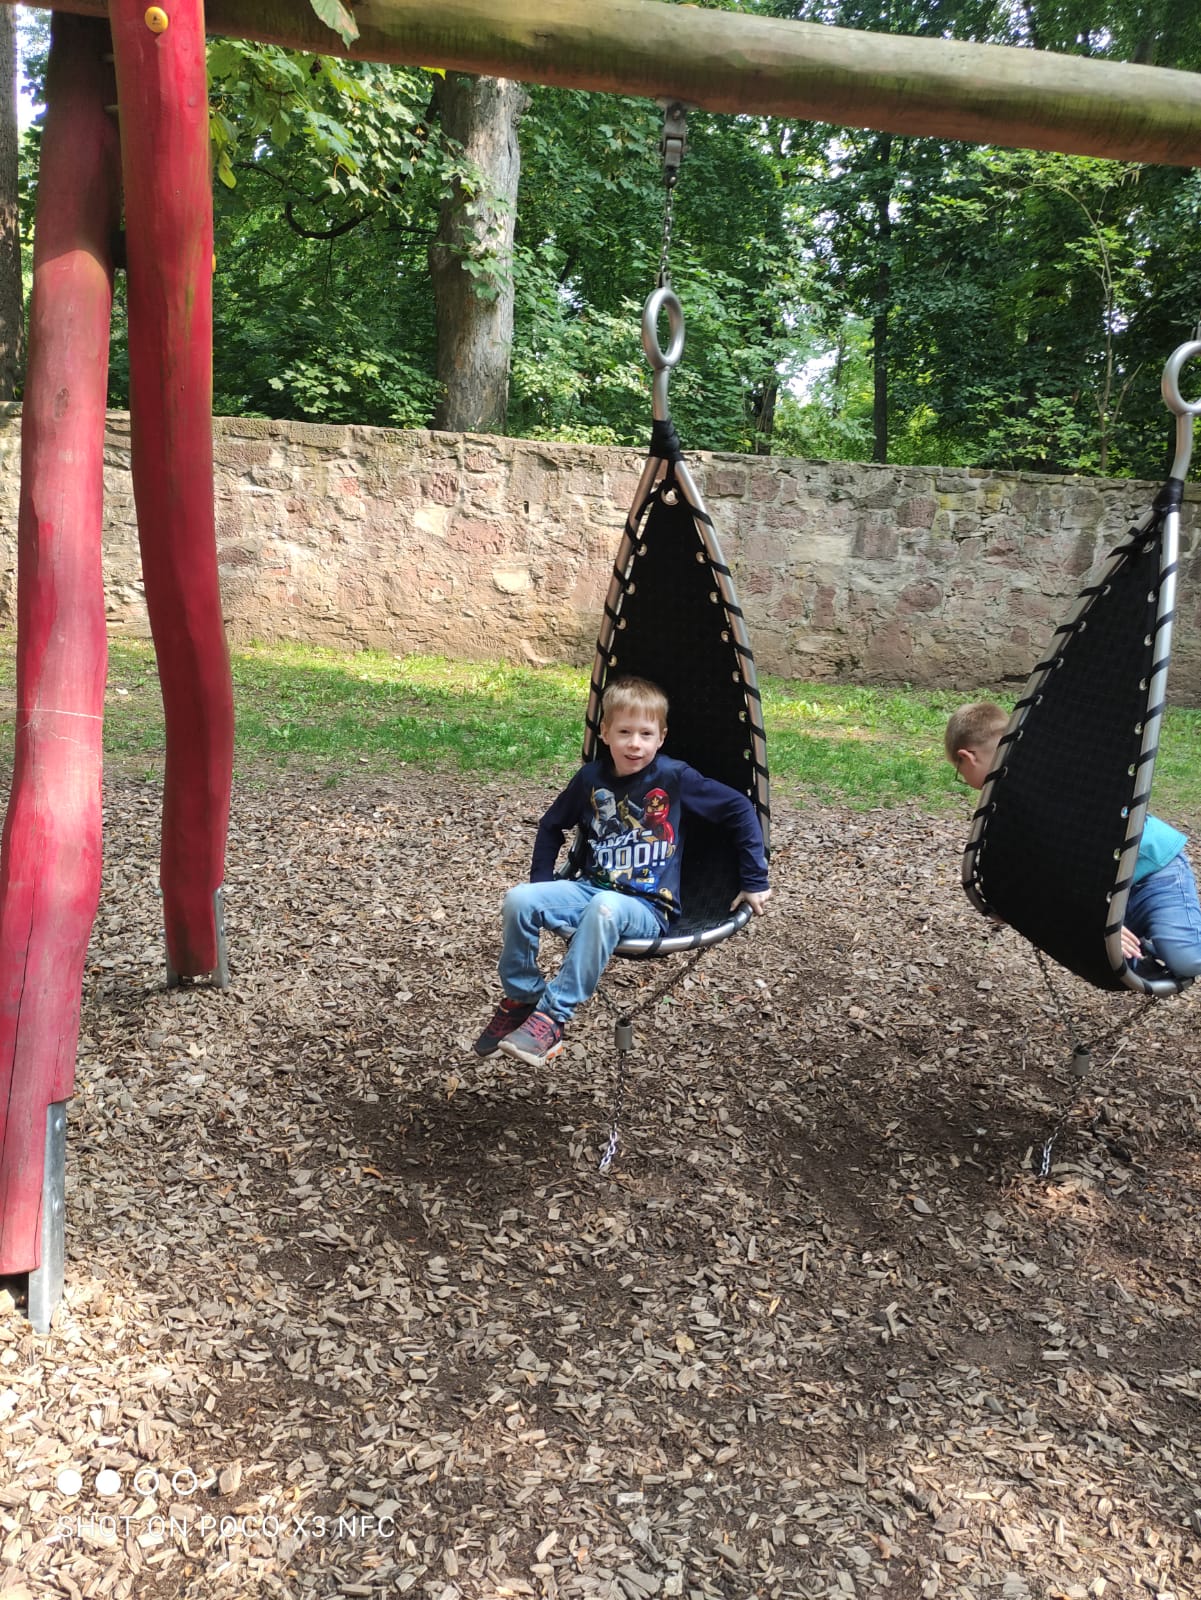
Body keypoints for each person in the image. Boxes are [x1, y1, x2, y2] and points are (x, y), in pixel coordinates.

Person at [474, 675, 771, 1067]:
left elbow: (740, 809)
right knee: (520, 900)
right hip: (591, 889)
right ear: (605, 733)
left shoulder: (675, 779)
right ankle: (523, 995)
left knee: (606, 907)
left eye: (646, 734)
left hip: (647, 906)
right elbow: (551, 826)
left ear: (661, 738)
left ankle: (552, 1018)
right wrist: (544, 886)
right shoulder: (590, 780)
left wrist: (755, 880)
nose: (635, 744)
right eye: (625, 732)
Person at [945, 700, 1201, 980]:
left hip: (1152, 873)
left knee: (1187, 961)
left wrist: (1100, 921)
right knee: (1117, 959)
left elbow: (1079, 856)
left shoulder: (1055, 776)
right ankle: (1151, 936)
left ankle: (1162, 933)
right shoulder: (1007, 801)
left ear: (968, 757)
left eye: (959, 773)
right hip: (1106, 893)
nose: (966, 781)